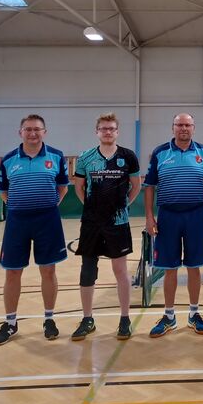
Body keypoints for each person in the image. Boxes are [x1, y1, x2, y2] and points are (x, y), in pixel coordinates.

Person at [0, 114, 69, 346]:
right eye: (28, 129)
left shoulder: (56, 156)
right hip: (18, 222)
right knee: (12, 272)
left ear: (44, 132)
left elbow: (62, 187)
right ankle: (11, 322)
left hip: (48, 220)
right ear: (20, 132)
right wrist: (19, 206)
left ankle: (49, 319)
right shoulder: (8, 160)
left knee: (48, 271)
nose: (33, 133)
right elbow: (3, 191)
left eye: (37, 129)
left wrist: (49, 205)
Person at [144, 113, 203, 337]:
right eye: (179, 125)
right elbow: (149, 186)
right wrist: (149, 216)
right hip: (168, 216)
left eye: (187, 125)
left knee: (194, 267)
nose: (183, 128)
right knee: (170, 269)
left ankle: (194, 314)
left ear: (193, 128)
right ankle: (169, 316)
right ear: (173, 128)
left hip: (196, 215)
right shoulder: (160, 153)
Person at [70, 113, 141, 341]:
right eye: (103, 128)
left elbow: (136, 185)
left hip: (118, 223)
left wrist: (123, 206)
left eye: (111, 128)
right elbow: (79, 187)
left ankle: (124, 318)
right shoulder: (85, 157)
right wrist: (92, 208)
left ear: (117, 131)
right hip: (91, 223)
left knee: (120, 271)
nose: (107, 132)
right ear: (97, 132)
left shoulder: (128, 156)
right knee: (88, 270)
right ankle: (87, 319)